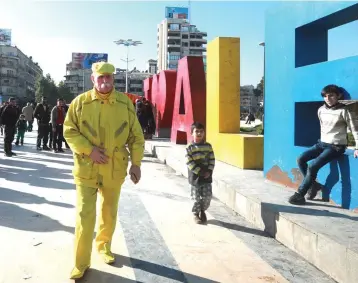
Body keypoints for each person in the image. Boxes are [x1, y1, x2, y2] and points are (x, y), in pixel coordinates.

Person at [64, 62, 145, 280]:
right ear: (93, 79)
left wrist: (136, 163)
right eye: (101, 78)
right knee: (84, 215)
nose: (105, 81)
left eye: (109, 78)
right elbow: (69, 131)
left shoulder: (124, 104)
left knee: (109, 212)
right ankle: (81, 262)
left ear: (114, 79)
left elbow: (136, 136)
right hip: (87, 169)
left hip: (114, 169)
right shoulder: (80, 103)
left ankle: (104, 246)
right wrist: (89, 150)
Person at [289, 84, 358, 205]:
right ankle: (313, 185)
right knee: (300, 159)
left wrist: (356, 147)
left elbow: (353, 129)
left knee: (312, 166)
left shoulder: (344, 110)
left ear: (339, 96)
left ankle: (300, 194)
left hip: (336, 146)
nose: (327, 98)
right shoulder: (321, 110)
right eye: (325, 96)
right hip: (321, 144)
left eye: (331, 95)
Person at [185, 122, 216, 224]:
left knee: (207, 197)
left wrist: (209, 171)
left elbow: (212, 159)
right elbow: (189, 162)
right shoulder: (189, 148)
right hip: (195, 177)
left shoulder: (208, 146)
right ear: (191, 133)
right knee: (196, 198)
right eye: (196, 131)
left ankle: (203, 210)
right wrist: (199, 171)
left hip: (207, 176)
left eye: (201, 131)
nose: (199, 133)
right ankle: (196, 213)